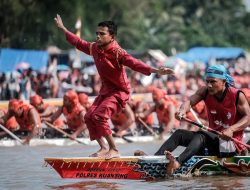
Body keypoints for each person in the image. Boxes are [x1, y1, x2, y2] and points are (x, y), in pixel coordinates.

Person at [54, 14, 174, 159]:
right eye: (97, 33)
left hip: (119, 92)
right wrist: (63, 29)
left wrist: (156, 71)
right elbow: (78, 43)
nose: (98, 36)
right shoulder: (95, 48)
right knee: (89, 116)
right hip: (105, 91)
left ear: (112, 36)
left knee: (99, 116)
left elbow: (135, 64)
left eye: (102, 34)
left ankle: (114, 149)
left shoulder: (118, 53)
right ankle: (104, 148)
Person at [135, 65, 250, 175]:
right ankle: (154, 160)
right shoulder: (205, 91)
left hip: (230, 143)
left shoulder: (237, 95)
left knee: (201, 136)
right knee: (179, 134)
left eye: (213, 82)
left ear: (224, 82)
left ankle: (178, 162)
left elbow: (248, 117)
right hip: (212, 140)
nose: (209, 85)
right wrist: (182, 111)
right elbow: (189, 102)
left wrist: (231, 129)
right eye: (207, 81)